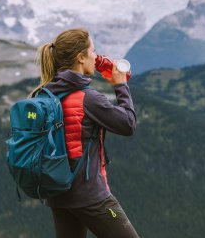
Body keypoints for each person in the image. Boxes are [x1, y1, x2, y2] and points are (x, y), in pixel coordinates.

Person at [32, 28, 139, 238]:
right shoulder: (87, 99)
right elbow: (127, 124)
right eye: (93, 51)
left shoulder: (44, 95)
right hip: (91, 197)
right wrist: (121, 85)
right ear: (81, 57)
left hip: (58, 196)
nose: (96, 57)